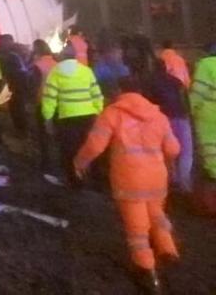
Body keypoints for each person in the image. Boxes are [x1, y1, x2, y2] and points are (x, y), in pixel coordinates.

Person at [74, 76, 180, 293]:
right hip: (157, 177)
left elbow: (95, 145)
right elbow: (173, 149)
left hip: (129, 178)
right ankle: (168, 250)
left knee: (137, 227)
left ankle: (146, 270)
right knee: (156, 211)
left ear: (119, 90)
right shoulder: (158, 116)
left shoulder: (112, 114)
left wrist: (79, 162)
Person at [41, 44, 103, 186]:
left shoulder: (55, 72)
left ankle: (75, 181)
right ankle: (95, 179)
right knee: (88, 147)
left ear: (62, 57)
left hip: (67, 117)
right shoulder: (86, 71)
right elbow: (96, 94)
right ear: (75, 56)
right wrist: (98, 112)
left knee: (69, 150)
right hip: (88, 116)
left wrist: (47, 118)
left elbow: (49, 98)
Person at [146, 58, 193, 193]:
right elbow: (186, 99)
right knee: (186, 151)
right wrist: (188, 114)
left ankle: (171, 180)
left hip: (164, 119)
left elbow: (149, 103)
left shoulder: (150, 82)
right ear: (165, 67)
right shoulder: (177, 81)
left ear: (153, 67)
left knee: (167, 150)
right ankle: (185, 184)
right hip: (182, 117)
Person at [28, 39, 58, 172]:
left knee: (42, 134)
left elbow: (33, 86)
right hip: (57, 102)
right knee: (55, 132)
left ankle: (46, 163)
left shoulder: (37, 65)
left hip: (43, 102)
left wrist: (31, 102)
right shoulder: (56, 64)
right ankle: (60, 161)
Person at [190, 42, 216, 182]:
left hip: (209, 117)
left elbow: (198, 92)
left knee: (211, 149)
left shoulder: (206, 65)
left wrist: (191, 110)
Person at [0, 34, 29, 137]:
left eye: (3, 41)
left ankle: (22, 130)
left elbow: (20, 70)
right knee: (16, 106)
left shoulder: (13, 54)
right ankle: (21, 129)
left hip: (18, 83)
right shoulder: (14, 52)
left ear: (9, 41)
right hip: (16, 83)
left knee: (17, 107)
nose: (1, 44)